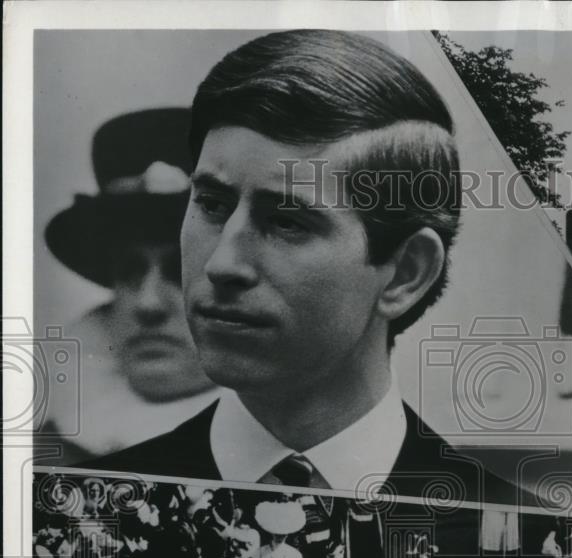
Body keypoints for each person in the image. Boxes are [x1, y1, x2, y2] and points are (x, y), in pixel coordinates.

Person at [85, 31, 527, 527]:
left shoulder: (542, 545)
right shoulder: (80, 515)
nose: (222, 264)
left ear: (406, 273)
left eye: (288, 223)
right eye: (211, 205)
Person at [42, 108, 218, 463]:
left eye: (182, 271)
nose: (147, 304)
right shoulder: (48, 452)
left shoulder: (293, 461)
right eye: (129, 273)